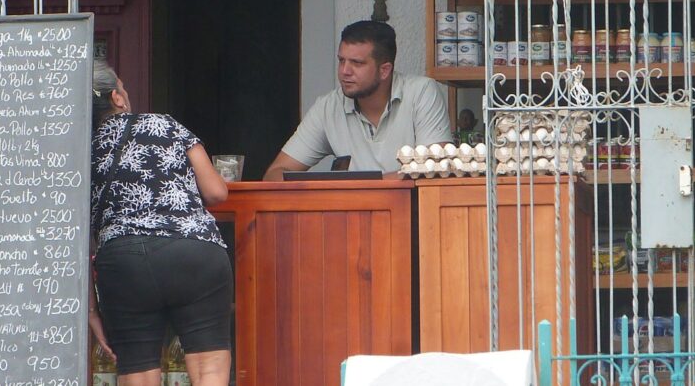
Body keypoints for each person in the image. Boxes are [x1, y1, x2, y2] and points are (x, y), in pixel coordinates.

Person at [89, 59, 232, 386]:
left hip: (124, 262)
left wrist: (91, 309)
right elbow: (216, 192)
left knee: (138, 367)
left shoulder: (74, 150)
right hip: (194, 252)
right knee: (209, 364)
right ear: (117, 97)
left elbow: (71, 233)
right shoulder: (164, 124)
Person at [263, 20, 451, 180]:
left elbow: (434, 171)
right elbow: (274, 174)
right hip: (351, 219)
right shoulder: (328, 107)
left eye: (357, 63)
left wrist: (357, 188)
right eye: (341, 60)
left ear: (384, 70)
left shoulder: (421, 92)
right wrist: (320, 192)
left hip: (413, 217)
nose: (344, 71)